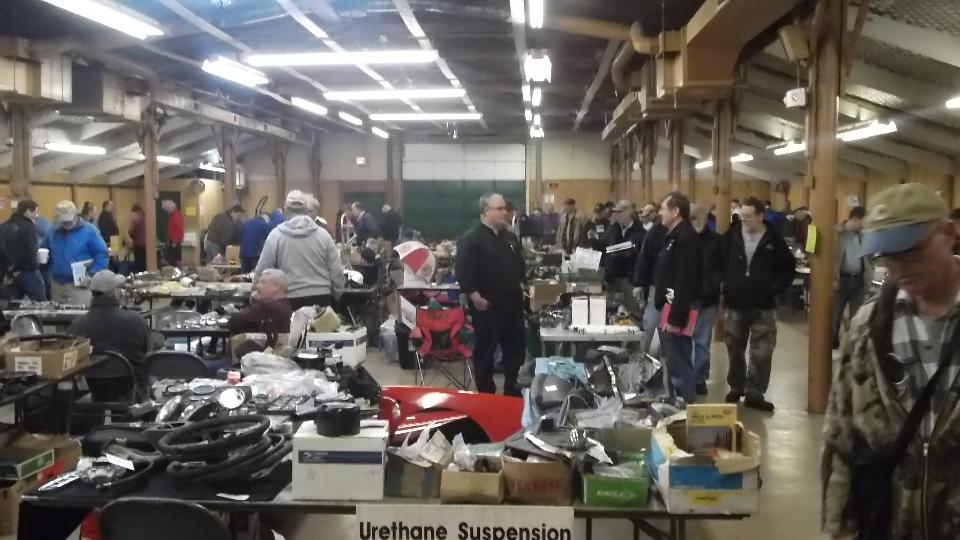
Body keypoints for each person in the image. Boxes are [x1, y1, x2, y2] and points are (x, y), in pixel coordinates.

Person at [821, 183, 960, 540]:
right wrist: (837, 526)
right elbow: (841, 435)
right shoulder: (868, 328)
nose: (898, 269)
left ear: (948, 234)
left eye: (911, 252)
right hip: (889, 522)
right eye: (886, 257)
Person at [719, 197, 795, 411]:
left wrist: (774, 287)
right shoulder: (731, 236)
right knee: (734, 347)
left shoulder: (774, 238)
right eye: (742, 215)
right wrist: (725, 284)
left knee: (762, 351)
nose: (744, 219)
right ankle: (736, 385)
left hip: (764, 304)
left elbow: (788, 268)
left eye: (749, 216)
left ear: (761, 216)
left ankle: (755, 392)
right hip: (735, 302)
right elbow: (716, 262)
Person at [455, 193, 525, 396]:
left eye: (506, 209)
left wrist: (522, 284)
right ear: (485, 211)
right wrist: (475, 297)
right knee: (485, 353)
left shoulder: (510, 238)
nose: (505, 212)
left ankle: (512, 392)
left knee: (516, 352)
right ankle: (487, 396)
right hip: (488, 308)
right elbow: (463, 271)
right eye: (500, 209)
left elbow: (519, 265)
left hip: (513, 307)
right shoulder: (471, 239)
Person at [68, 270, 152, 397]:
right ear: (114, 292)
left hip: (94, 388)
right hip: (132, 388)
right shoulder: (135, 320)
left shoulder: (77, 325)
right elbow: (147, 349)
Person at [256, 191, 345, 311]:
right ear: (307, 210)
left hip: (289, 301)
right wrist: (335, 296)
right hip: (321, 300)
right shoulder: (324, 236)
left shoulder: (275, 236)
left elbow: (263, 270)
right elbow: (337, 272)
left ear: (285, 209)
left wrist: (255, 293)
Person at [651, 192, 701, 403]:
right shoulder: (673, 236)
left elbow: (685, 280)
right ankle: (675, 402)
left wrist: (675, 318)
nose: (660, 213)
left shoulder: (686, 238)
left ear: (676, 211)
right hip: (668, 306)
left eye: (663, 208)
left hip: (677, 309)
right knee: (671, 359)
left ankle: (687, 406)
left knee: (679, 359)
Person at [45, 201, 109, 306]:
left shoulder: (90, 231)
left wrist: (92, 274)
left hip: (80, 285)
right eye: (63, 221)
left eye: (68, 221)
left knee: (80, 314)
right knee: (57, 316)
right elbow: (44, 250)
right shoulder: (52, 231)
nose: (66, 224)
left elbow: (102, 254)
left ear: (75, 215)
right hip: (56, 284)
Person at [690, 205, 722, 396]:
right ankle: (685, 376)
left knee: (702, 341)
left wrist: (716, 284)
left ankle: (699, 379)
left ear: (706, 218)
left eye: (699, 217)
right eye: (692, 218)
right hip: (686, 300)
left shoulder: (717, 241)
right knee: (684, 341)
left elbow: (723, 266)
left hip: (708, 300)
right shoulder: (683, 238)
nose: (696, 222)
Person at [832, 206, 871, 349]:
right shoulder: (838, 233)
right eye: (863, 221)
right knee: (834, 318)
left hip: (859, 281)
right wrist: (832, 278)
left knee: (856, 319)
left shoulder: (864, 235)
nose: (865, 225)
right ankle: (832, 345)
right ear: (855, 219)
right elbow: (830, 257)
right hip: (841, 280)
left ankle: (851, 347)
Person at [604, 200, 646, 321]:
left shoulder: (640, 230)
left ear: (629, 212)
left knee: (633, 312)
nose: (617, 215)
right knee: (613, 310)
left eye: (620, 212)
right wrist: (593, 239)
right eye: (615, 212)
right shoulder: (614, 228)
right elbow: (603, 244)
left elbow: (641, 253)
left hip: (630, 277)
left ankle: (635, 331)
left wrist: (632, 251)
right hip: (613, 276)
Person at [633, 218, 667, 352]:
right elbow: (644, 257)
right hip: (656, 286)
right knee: (650, 322)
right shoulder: (657, 230)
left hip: (677, 289)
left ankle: (667, 355)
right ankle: (642, 353)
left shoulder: (685, 232)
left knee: (667, 326)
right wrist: (639, 283)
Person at [0, 200, 46, 300]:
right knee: (41, 302)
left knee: (12, 303)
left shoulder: (3, 226)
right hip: (27, 271)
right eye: (35, 213)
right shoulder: (28, 226)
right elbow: (30, 251)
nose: (36, 216)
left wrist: (8, 271)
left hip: (8, 273)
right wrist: (36, 264)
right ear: (28, 211)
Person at [227, 268, 292, 334]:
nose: (257, 286)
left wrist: (254, 301)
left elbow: (232, 324)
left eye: (262, 283)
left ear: (276, 286)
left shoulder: (265, 307)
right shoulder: (284, 303)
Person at [162, 200, 184, 267]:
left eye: (166, 208)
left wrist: (175, 242)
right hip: (172, 241)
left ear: (171, 207)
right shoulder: (172, 215)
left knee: (172, 260)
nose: (166, 210)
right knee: (174, 259)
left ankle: (174, 271)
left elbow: (179, 229)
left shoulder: (175, 215)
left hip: (175, 241)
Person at [128, 204, 147, 273]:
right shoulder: (146, 216)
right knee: (145, 262)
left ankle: (139, 275)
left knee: (138, 263)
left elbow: (131, 230)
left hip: (138, 243)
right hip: (147, 244)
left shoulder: (135, 217)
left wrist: (132, 237)